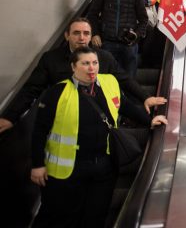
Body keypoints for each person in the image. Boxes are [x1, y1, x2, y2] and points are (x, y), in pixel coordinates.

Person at [30, 46, 167, 227]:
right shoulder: (57, 93)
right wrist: (38, 164)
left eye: (94, 63)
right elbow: (39, 130)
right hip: (69, 170)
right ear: (73, 67)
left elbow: (125, 105)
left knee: (95, 216)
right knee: (63, 217)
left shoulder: (109, 82)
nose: (91, 68)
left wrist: (149, 120)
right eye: (85, 63)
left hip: (104, 167)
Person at [0, 18, 166, 134]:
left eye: (86, 33)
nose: (82, 38)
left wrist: (144, 97)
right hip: (66, 124)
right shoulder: (51, 59)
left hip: (98, 124)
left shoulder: (104, 58)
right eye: (76, 33)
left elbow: (124, 80)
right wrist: (10, 117)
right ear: (67, 36)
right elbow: (31, 89)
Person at [87, 0, 148, 77]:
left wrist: (136, 36)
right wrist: (95, 34)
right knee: (105, 78)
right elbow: (92, 15)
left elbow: (144, 20)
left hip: (128, 45)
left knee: (129, 79)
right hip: (106, 42)